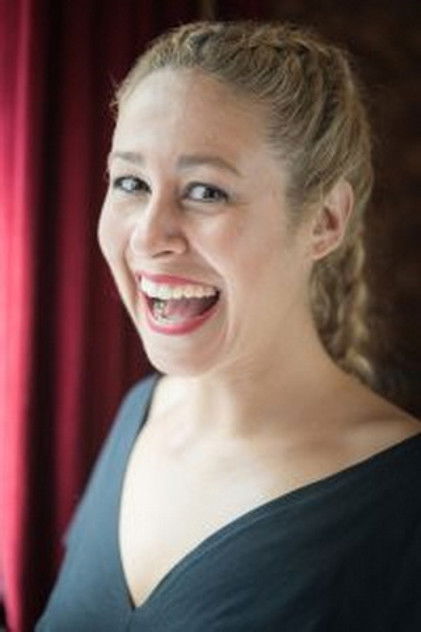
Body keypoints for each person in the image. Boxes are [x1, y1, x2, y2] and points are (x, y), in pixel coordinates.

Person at [36, 20, 421, 631]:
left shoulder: (403, 501)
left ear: (324, 221)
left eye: (206, 192)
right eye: (131, 183)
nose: (149, 236)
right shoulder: (139, 415)